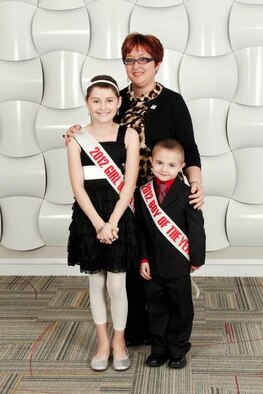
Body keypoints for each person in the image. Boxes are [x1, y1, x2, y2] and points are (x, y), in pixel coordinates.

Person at [65, 32, 204, 346]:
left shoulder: (172, 102)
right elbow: (96, 127)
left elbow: (190, 149)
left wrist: (196, 182)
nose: (137, 65)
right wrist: (74, 130)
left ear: (157, 63)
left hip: (160, 197)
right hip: (121, 198)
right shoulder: (117, 99)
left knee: (161, 267)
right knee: (130, 265)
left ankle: (170, 337)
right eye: (130, 60)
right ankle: (136, 332)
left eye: (144, 59)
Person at [67, 75, 139, 371]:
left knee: (118, 284)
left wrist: (111, 223)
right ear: (87, 103)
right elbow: (77, 187)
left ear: (119, 102)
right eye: (96, 100)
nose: (103, 106)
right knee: (96, 282)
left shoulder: (129, 135)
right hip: (90, 216)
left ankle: (119, 341)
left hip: (119, 216)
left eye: (109, 100)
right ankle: (102, 342)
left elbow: (129, 184)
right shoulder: (75, 137)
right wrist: (99, 224)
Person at [135, 139, 206, 369]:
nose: (164, 169)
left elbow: (196, 229)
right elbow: (141, 231)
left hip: (178, 264)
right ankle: (159, 348)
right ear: (151, 163)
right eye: (159, 163)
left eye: (171, 165)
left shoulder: (188, 194)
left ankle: (177, 349)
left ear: (181, 166)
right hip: (152, 265)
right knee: (155, 308)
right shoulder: (142, 193)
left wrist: (196, 259)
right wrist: (143, 258)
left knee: (181, 309)